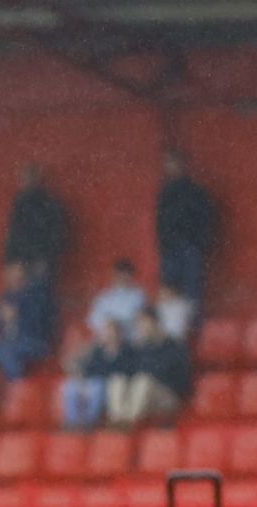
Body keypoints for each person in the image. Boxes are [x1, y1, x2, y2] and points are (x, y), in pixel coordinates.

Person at [156, 151, 216, 308]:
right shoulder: (165, 193)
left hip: (190, 246)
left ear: (183, 166)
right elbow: (160, 222)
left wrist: (198, 243)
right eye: (169, 165)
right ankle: (170, 329)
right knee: (168, 288)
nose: (171, 168)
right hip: (170, 248)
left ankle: (193, 328)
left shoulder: (195, 191)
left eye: (174, 164)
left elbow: (205, 218)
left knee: (192, 288)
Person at [111, 310, 190, 428]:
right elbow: (128, 371)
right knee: (118, 379)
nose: (141, 328)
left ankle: (128, 423)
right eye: (139, 325)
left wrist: (156, 379)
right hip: (142, 395)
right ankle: (117, 419)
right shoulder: (140, 348)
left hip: (169, 396)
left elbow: (183, 381)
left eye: (144, 324)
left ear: (155, 323)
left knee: (144, 381)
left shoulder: (174, 346)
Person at [60, 319, 131, 432]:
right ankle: (72, 424)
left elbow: (124, 372)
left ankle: (89, 423)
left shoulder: (126, 350)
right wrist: (81, 379)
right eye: (106, 332)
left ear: (118, 333)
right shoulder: (96, 350)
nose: (108, 335)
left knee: (96, 387)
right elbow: (73, 364)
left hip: (111, 384)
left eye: (111, 331)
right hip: (91, 381)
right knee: (70, 387)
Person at [4, 163, 69, 281]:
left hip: (39, 259)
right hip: (22, 259)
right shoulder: (20, 203)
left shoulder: (48, 203)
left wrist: (45, 258)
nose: (24, 181)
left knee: (38, 291)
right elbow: (14, 233)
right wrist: (11, 260)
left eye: (28, 178)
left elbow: (56, 232)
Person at [86, 259, 148, 336]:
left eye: (126, 274)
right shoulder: (104, 297)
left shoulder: (139, 295)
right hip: (108, 338)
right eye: (119, 274)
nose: (122, 278)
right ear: (114, 275)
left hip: (131, 338)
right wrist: (109, 324)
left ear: (131, 276)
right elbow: (93, 320)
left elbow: (143, 318)